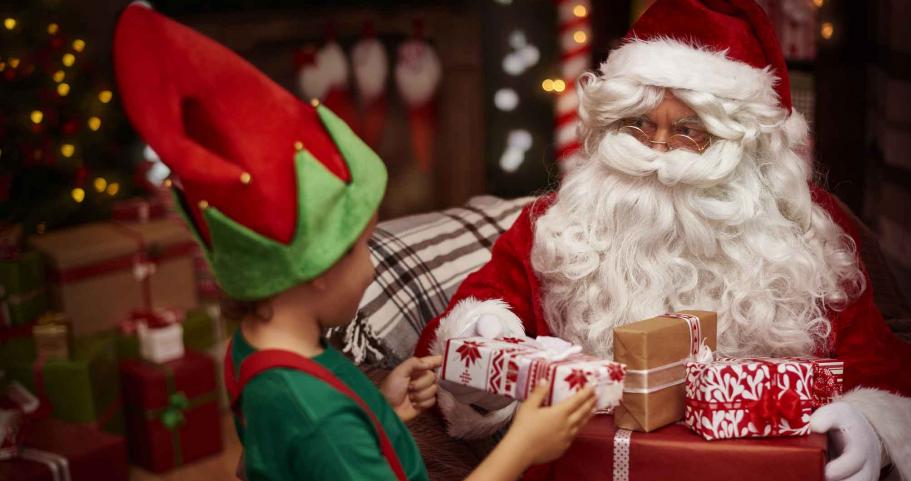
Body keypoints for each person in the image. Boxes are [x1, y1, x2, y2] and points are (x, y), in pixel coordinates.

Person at [414, 1, 911, 481]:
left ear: (746, 145)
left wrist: (868, 426)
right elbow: (467, 320)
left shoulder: (803, 233)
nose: (658, 149)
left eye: (689, 130)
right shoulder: (557, 223)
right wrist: (485, 342)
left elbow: (883, 368)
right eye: (638, 124)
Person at [112, 4, 595, 481]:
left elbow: (308, 454)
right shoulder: (321, 420)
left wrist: (379, 406)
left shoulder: (255, 349)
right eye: (363, 248)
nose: (371, 266)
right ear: (320, 268)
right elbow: (324, 435)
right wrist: (523, 447)